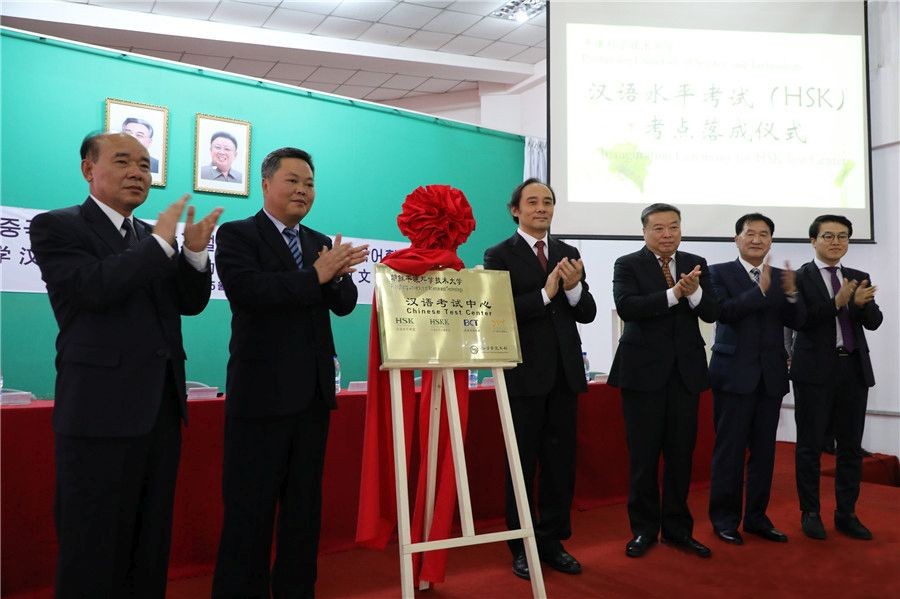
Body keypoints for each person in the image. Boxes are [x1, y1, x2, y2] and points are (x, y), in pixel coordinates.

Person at [29, 132, 222, 598]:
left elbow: (189, 303)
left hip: (159, 411)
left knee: (149, 542)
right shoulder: (58, 226)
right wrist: (159, 246)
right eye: (123, 162)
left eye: (144, 165)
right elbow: (93, 288)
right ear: (88, 169)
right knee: (92, 545)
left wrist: (194, 253)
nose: (138, 173)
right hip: (97, 414)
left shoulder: (149, 235)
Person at [212, 147, 368, 598]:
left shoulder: (320, 242)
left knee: (303, 509)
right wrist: (316, 276)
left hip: (312, 398)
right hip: (260, 398)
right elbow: (249, 291)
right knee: (250, 509)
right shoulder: (239, 234)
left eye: (310, 184)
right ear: (266, 185)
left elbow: (343, 305)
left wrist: (338, 275)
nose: (303, 190)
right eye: (293, 181)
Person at [483, 178, 597, 580]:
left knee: (559, 464)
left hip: (565, 375)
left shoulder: (567, 252)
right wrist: (547, 293)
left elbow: (587, 313)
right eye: (532, 202)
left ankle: (552, 542)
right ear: (515, 210)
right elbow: (498, 312)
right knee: (521, 464)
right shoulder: (499, 254)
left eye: (547, 202)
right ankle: (521, 545)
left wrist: (573, 288)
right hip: (523, 375)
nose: (541, 208)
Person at [609, 203, 720, 559]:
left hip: (685, 374)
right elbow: (628, 307)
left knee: (680, 455)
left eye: (673, 227)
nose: (667, 234)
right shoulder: (628, 264)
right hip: (642, 374)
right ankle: (643, 530)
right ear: (644, 231)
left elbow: (712, 311)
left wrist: (695, 292)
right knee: (643, 457)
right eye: (658, 228)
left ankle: (677, 530)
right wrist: (676, 295)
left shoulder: (695, 263)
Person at [707, 213, 805, 545]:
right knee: (730, 452)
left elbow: (798, 321)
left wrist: (791, 295)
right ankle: (724, 520)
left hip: (770, 376)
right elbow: (723, 312)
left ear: (771, 241)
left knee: (764, 453)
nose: (757, 240)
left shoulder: (782, 277)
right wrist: (760, 292)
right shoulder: (717, 272)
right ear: (737, 238)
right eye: (750, 233)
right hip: (733, 375)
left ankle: (757, 518)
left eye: (764, 234)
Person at [791, 215, 882, 540]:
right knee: (810, 445)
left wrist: (860, 305)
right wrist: (836, 303)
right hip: (814, 372)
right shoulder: (797, 277)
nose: (836, 242)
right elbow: (798, 319)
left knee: (850, 447)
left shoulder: (858, 276)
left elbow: (874, 322)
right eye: (828, 236)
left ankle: (846, 513)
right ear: (813, 240)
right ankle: (810, 512)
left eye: (842, 236)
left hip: (852, 370)